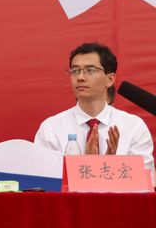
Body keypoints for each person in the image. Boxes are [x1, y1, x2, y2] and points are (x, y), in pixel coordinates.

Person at [34, 42, 155, 177]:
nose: (80, 77)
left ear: (110, 79)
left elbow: (146, 182)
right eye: (75, 71)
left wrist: (109, 167)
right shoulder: (51, 128)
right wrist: (87, 165)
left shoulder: (133, 126)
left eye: (90, 70)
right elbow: (43, 182)